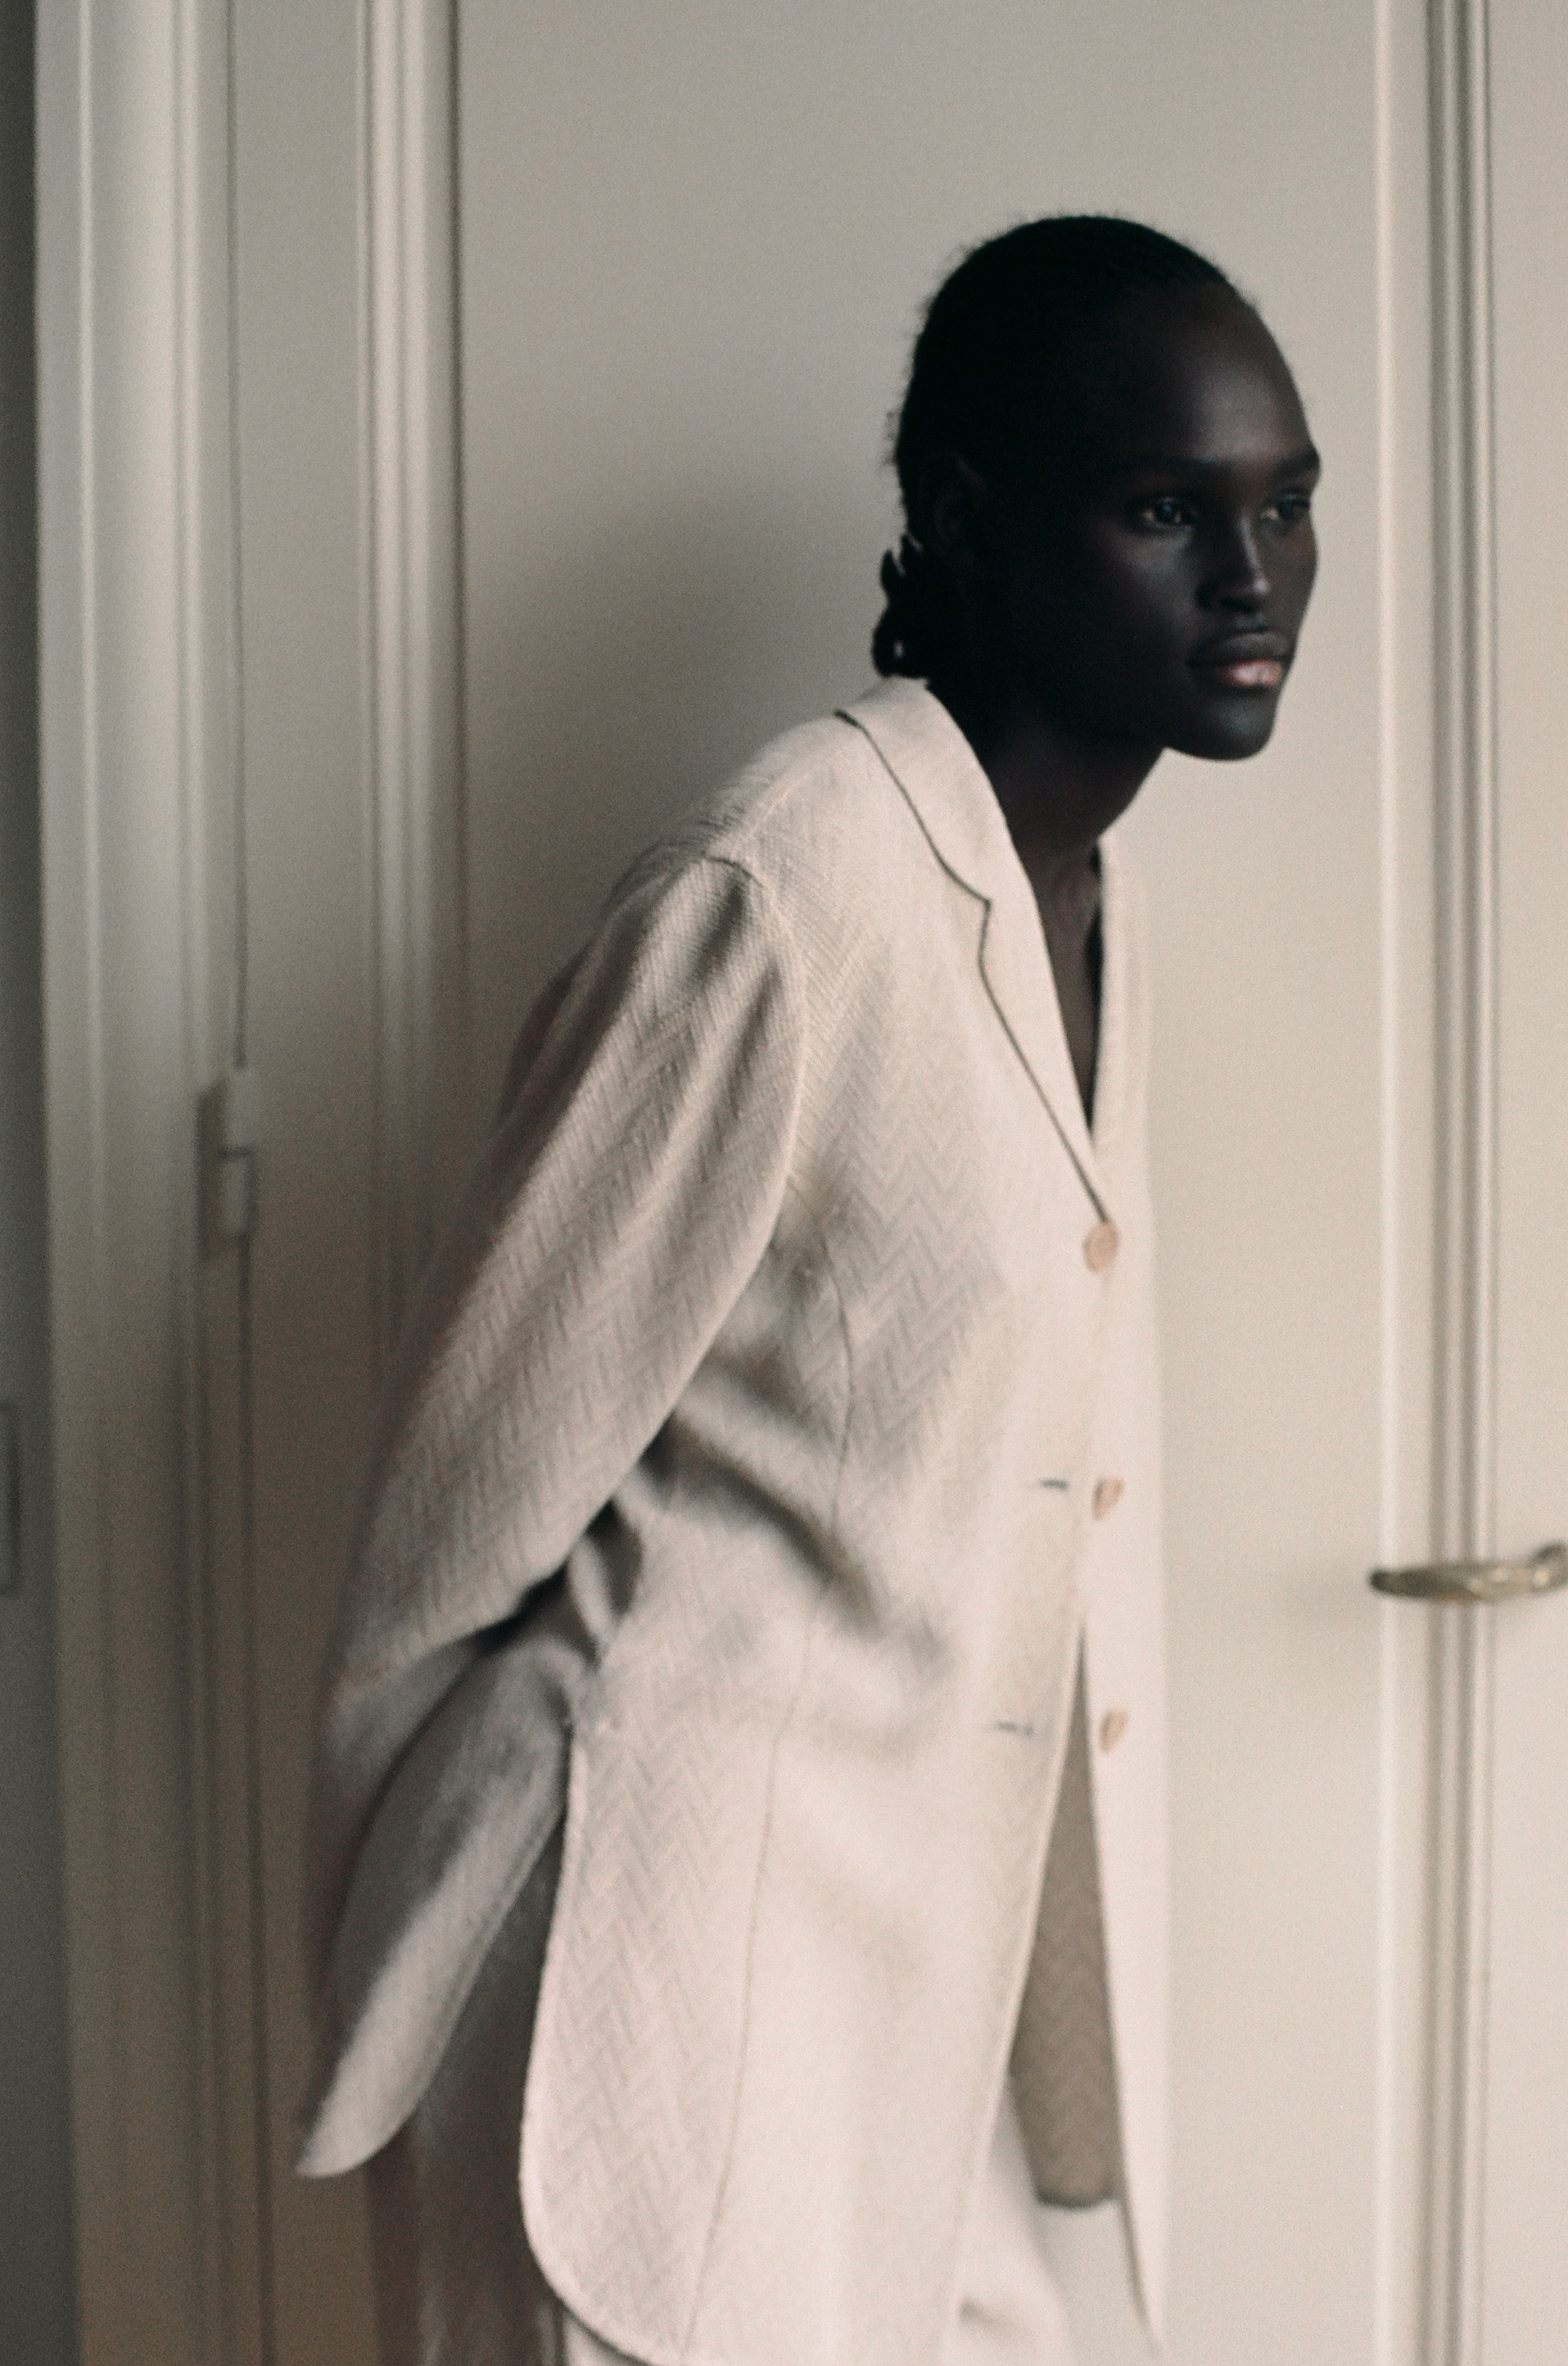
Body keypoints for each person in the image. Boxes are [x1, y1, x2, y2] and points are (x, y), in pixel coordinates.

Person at [296, 214, 1320, 2366]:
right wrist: (394, 1961)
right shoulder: (779, 894)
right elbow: (464, 1497)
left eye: (1283, 503)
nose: (1253, 579)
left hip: (903, 2013)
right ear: (966, 517)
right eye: (1167, 510)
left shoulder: (1090, 899)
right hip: (643, 1994)